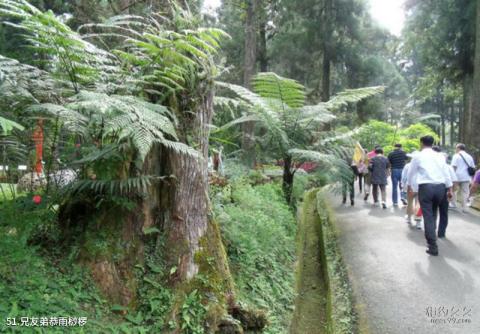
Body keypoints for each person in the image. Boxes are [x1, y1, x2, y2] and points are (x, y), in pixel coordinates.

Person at [407, 136, 453, 256]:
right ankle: (433, 235)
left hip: (426, 187)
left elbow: (411, 172)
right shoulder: (440, 156)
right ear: (432, 144)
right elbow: (446, 173)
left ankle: (432, 245)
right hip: (440, 188)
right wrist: (449, 188)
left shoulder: (418, 155)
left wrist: (409, 185)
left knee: (427, 216)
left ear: (421, 143)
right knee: (433, 213)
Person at [433, 146, 456, 238]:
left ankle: (431, 229)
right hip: (444, 189)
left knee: (433, 211)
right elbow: (453, 180)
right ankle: (441, 233)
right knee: (443, 212)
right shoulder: (448, 167)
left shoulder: (430, 166)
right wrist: (451, 191)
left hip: (432, 189)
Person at [450, 143, 475, 212]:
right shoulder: (469, 156)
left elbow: (453, 167)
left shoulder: (456, 156)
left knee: (454, 190)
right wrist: (472, 178)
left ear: (458, 148)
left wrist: (451, 177)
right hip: (466, 177)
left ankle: (453, 204)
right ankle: (464, 207)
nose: (455, 150)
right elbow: (472, 168)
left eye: (456, 148)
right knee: (465, 192)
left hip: (457, 176)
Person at [402, 153, 422, 229]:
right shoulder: (422, 165)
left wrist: (403, 185)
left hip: (410, 186)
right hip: (420, 186)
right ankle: (418, 222)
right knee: (418, 203)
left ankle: (409, 218)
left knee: (410, 202)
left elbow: (404, 176)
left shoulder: (408, 166)